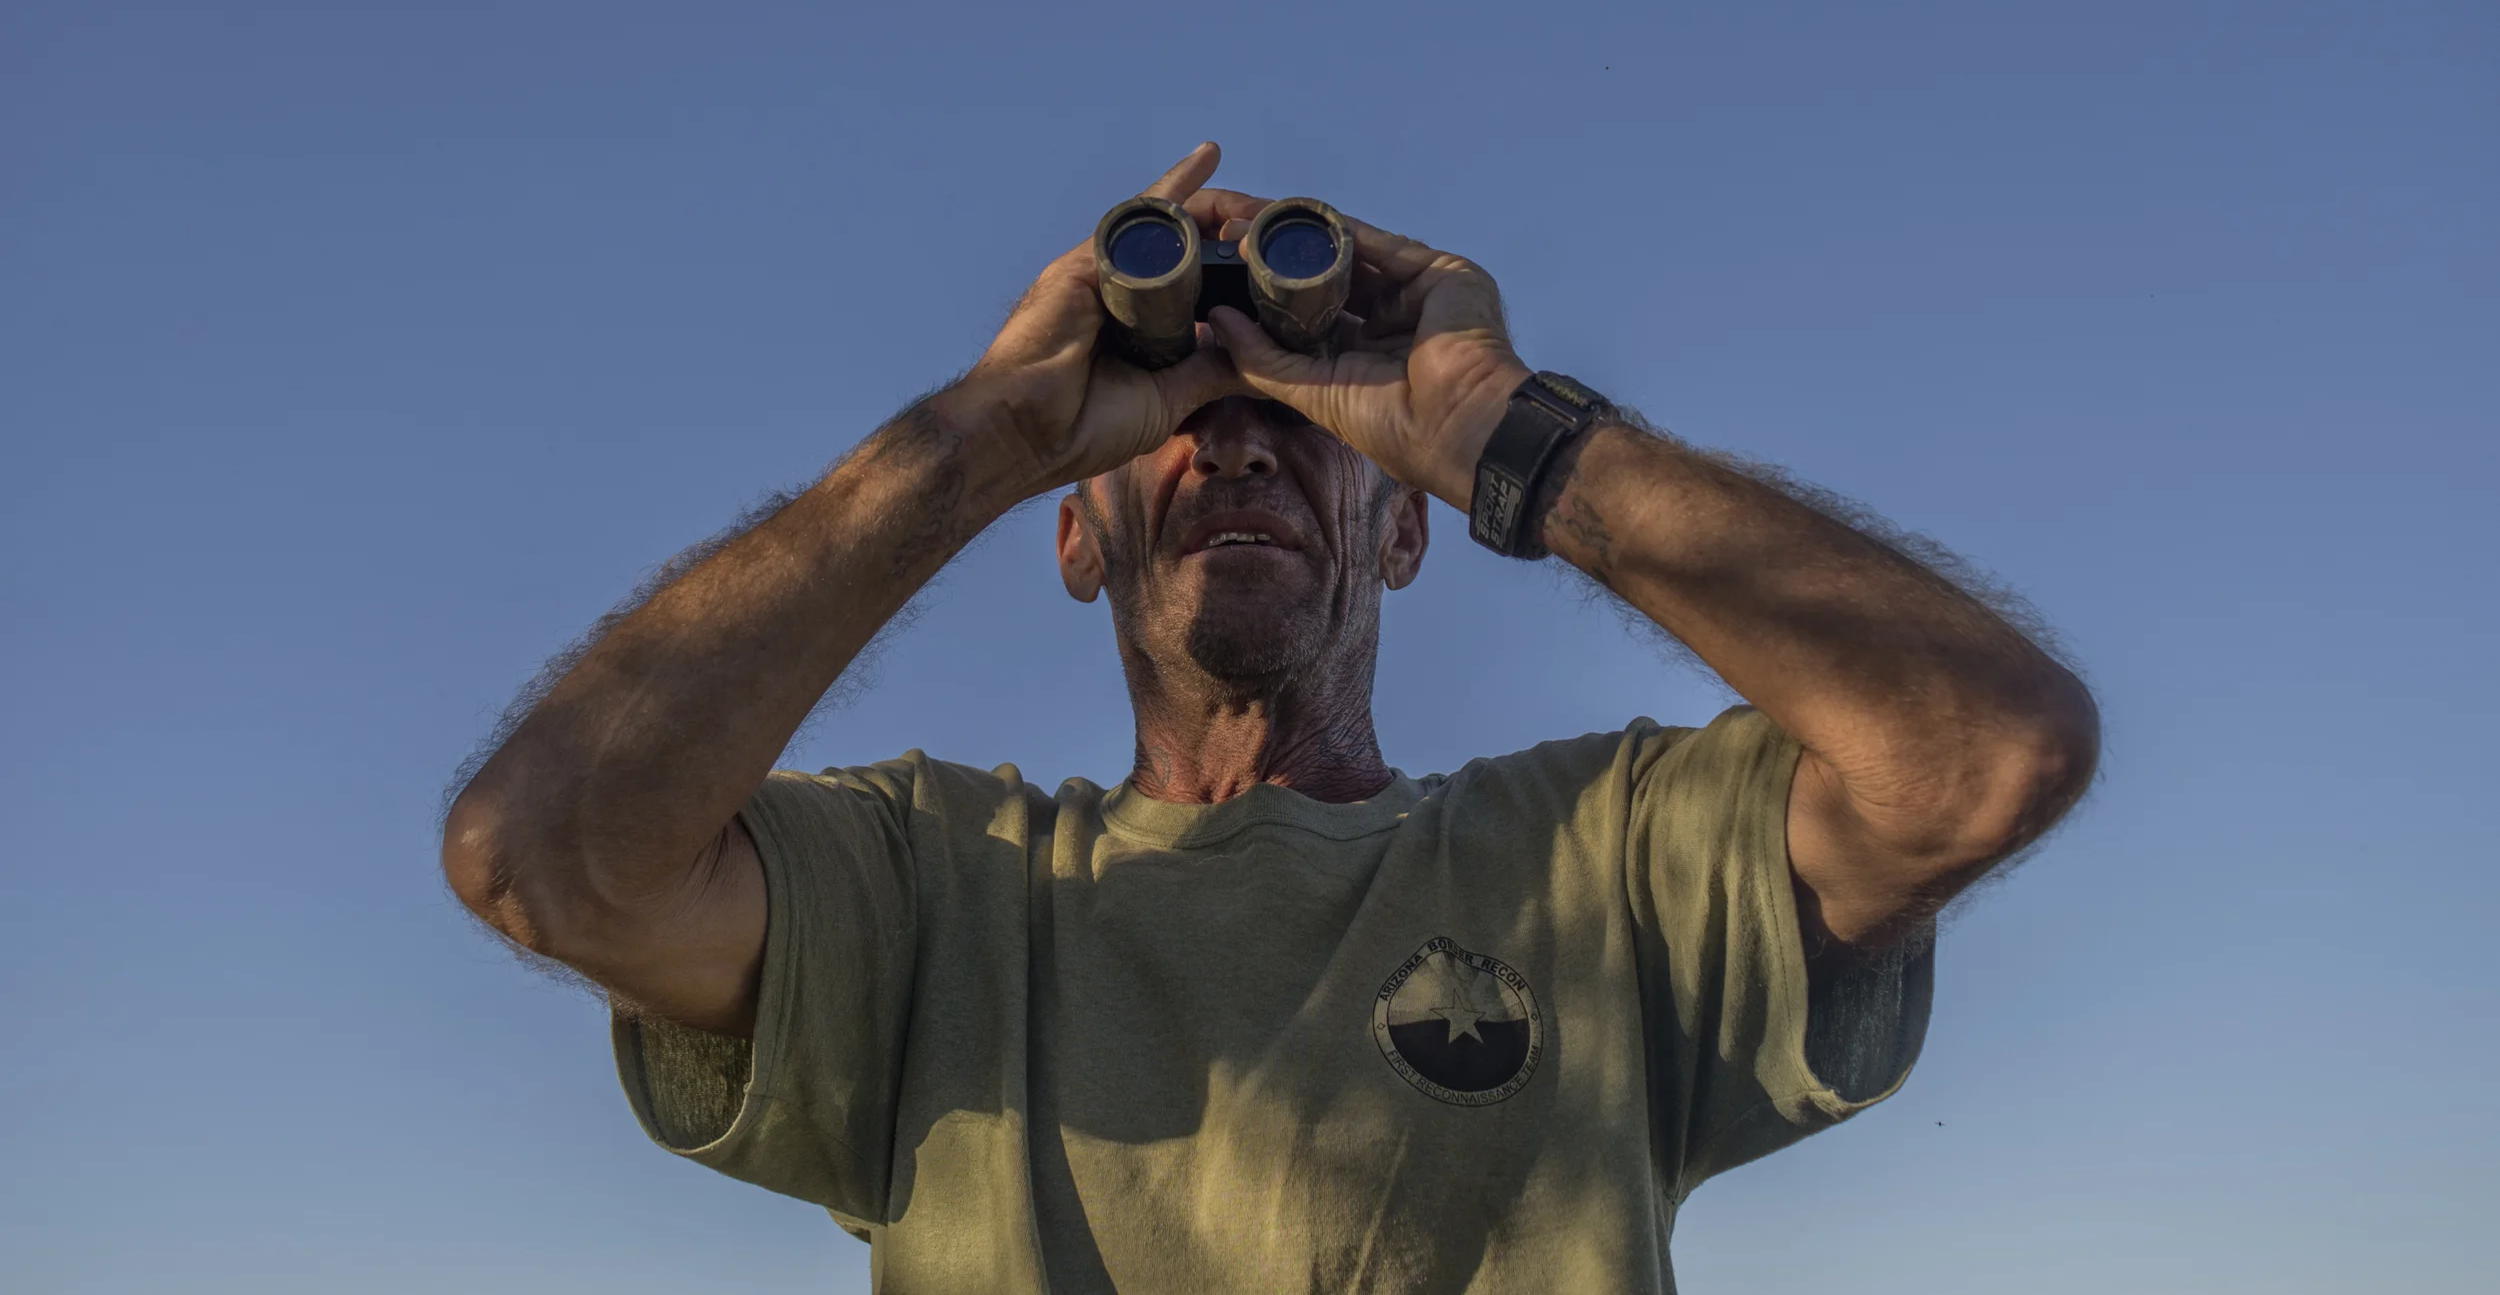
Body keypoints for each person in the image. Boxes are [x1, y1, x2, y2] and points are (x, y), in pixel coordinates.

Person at [443, 143, 2097, 1293]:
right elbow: (545, 857)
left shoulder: (1609, 868)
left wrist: (1494, 424)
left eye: (1300, 424)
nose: (1232, 446)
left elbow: (1983, 752)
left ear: (1402, 528)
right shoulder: (937, 892)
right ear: (1075, 540)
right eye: (1170, 423)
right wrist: (979, 442)